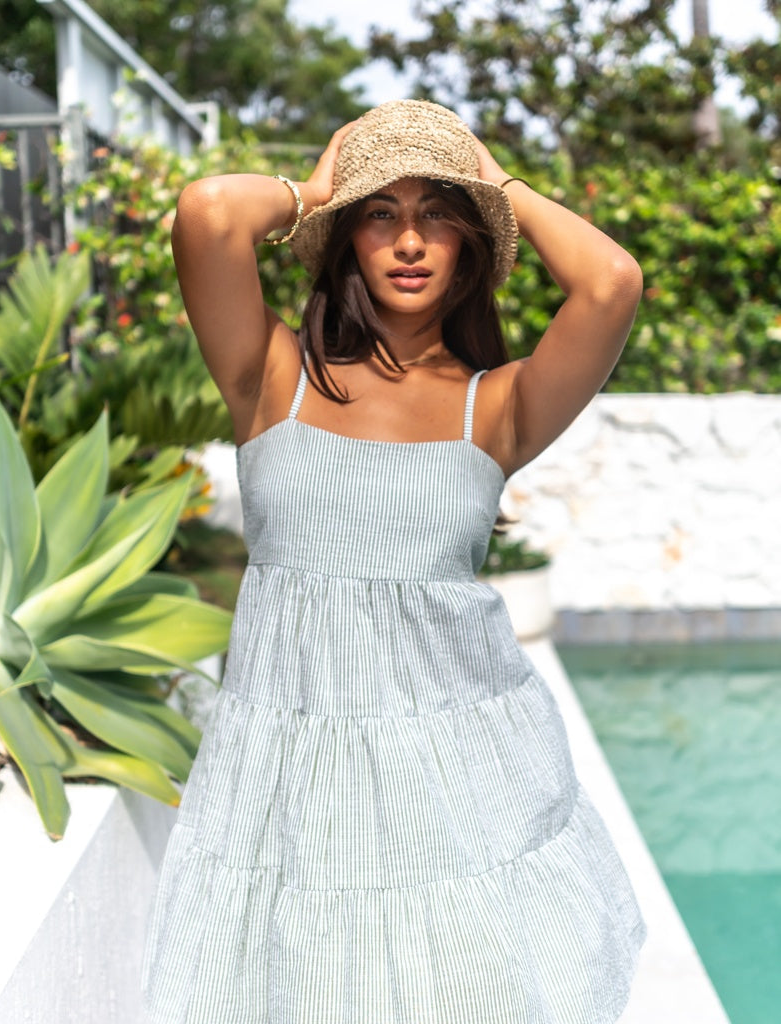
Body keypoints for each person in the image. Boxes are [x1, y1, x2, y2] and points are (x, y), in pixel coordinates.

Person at [141, 99, 646, 1024]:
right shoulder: (272, 378)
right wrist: (326, 187)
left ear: (470, 250)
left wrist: (494, 187)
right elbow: (209, 213)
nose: (411, 241)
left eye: (438, 218)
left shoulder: (496, 406)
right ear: (345, 243)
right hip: (292, 765)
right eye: (384, 215)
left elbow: (612, 283)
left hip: (455, 767)